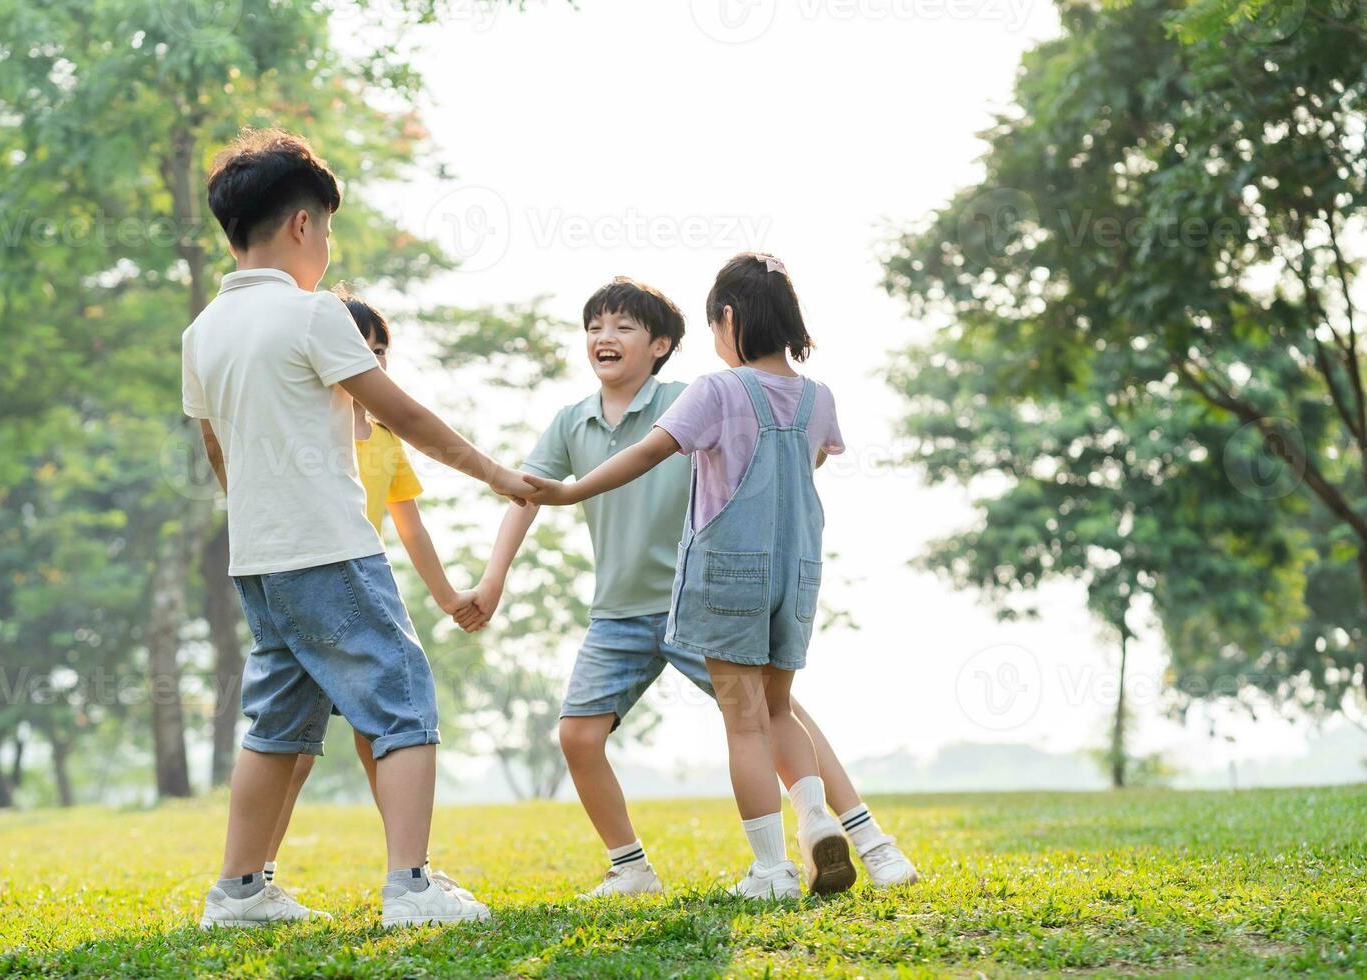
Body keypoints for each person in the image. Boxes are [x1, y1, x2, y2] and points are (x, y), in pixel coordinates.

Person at [182, 128, 530, 929]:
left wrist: (263, 511)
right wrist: (496, 475)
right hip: (331, 549)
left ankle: (236, 893)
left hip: (260, 559)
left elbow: (215, 444)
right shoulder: (313, 315)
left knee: (275, 725)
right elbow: (398, 411)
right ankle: (411, 886)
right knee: (403, 704)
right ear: (302, 226)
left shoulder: (201, 333)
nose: (326, 247)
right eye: (327, 230)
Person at [492, 271, 916, 900]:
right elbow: (806, 461)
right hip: (643, 605)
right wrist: (491, 579)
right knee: (760, 712)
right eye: (594, 326)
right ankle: (643, 865)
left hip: (700, 592)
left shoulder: (704, 392)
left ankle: (802, 857)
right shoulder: (809, 395)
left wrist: (573, 492)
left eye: (622, 326)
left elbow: (649, 454)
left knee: (757, 720)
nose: (604, 337)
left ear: (681, 337)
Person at [261, 288, 481, 906]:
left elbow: (409, 526)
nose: (373, 363)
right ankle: (259, 876)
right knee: (295, 750)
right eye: (362, 351)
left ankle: (410, 870)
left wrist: (446, 597)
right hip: (313, 590)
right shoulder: (308, 433)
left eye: (381, 352)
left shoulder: (385, 436)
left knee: (382, 739)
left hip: (361, 594)